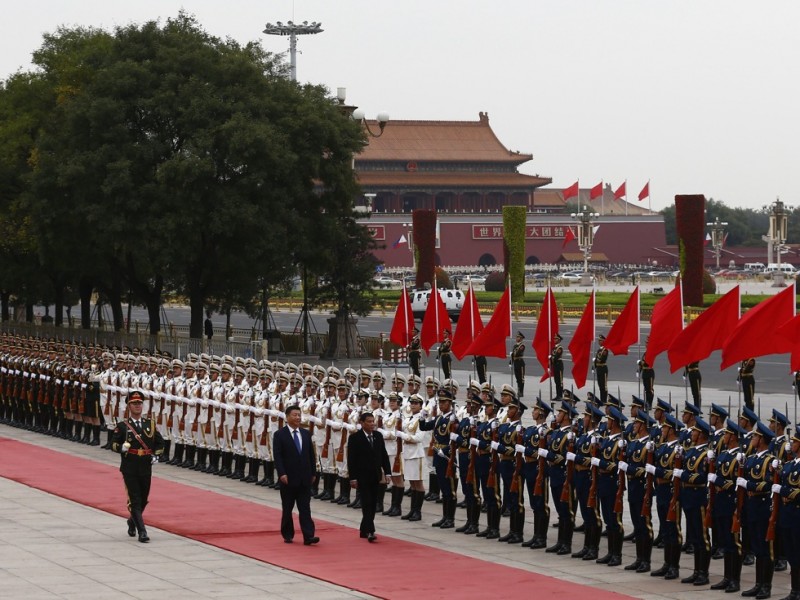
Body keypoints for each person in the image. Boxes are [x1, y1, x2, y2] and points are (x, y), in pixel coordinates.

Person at [111, 390, 165, 543]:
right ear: (129, 406)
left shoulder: (150, 424)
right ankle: (142, 531)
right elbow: (113, 444)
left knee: (144, 499)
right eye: (134, 404)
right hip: (130, 466)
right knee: (135, 499)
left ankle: (132, 521)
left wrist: (156, 455)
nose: (137, 406)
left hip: (145, 466)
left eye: (139, 403)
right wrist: (122, 448)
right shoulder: (122, 426)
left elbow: (160, 443)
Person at [272, 405, 319, 545]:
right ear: (287, 417)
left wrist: (313, 473)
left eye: (299, 415)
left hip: (304, 477)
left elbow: (311, 455)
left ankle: (308, 536)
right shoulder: (280, 434)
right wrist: (282, 473)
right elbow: (278, 456)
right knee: (287, 508)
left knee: (305, 508)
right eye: (295, 415)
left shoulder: (305, 433)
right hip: (288, 478)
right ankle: (288, 533)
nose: (298, 417)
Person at [348, 411, 392, 542]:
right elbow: (351, 459)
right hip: (362, 476)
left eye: (373, 421)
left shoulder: (378, 436)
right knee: (366, 502)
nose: (372, 424)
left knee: (373, 503)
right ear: (361, 423)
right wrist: (353, 478)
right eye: (369, 421)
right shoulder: (355, 438)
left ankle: (363, 529)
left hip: (376, 475)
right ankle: (370, 530)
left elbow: (383, 455)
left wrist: (388, 472)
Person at [594, 334, 609, 404]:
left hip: (603, 368)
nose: (599, 342)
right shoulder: (599, 350)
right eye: (599, 340)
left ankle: (604, 400)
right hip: (599, 368)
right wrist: (594, 366)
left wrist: (595, 360)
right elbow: (597, 360)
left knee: (604, 385)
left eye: (601, 340)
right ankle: (601, 399)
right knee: (600, 385)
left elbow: (602, 359)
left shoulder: (605, 350)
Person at [510, 331, 526, 398]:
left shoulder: (522, 345)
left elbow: (517, 353)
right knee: (517, 378)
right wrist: (511, 362)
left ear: (521, 338)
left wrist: (512, 354)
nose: (517, 338)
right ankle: (518, 390)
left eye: (518, 337)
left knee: (521, 378)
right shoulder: (515, 345)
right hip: (516, 363)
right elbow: (513, 356)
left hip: (520, 363)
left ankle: (521, 392)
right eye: (516, 337)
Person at [550, 333, 564, 399]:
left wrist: (551, 358)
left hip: (559, 365)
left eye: (556, 339)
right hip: (555, 365)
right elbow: (552, 356)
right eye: (554, 339)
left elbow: (556, 357)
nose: (554, 340)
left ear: (559, 340)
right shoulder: (554, 348)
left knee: (560, 381)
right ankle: (557, 395)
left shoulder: (559, 348)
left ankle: (560, 395)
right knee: (556, 381)